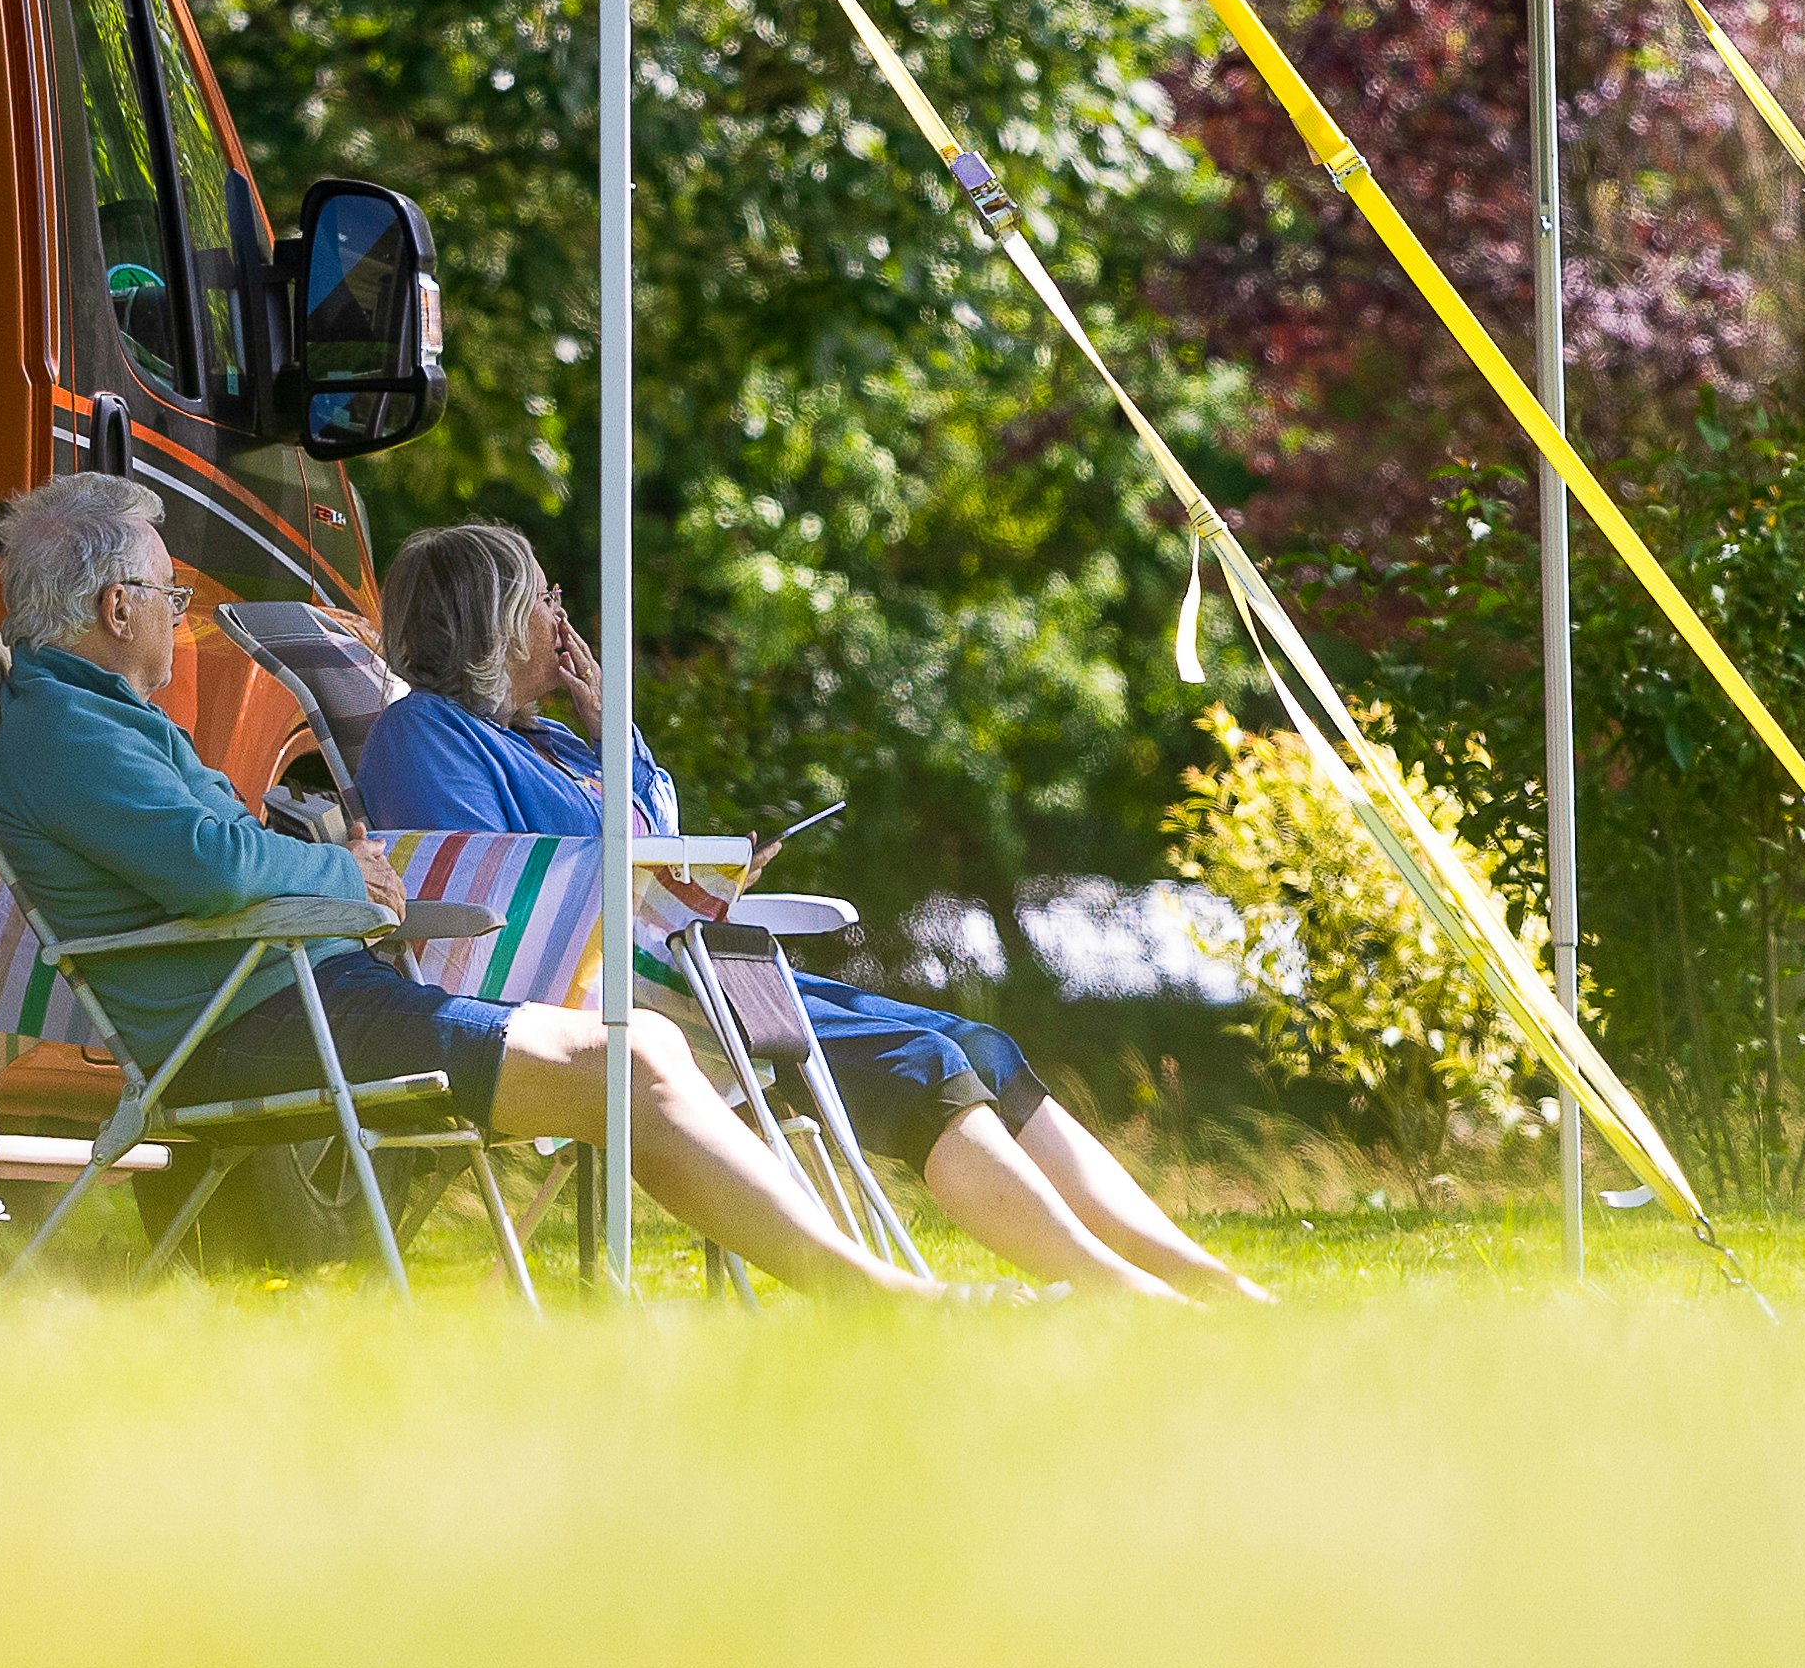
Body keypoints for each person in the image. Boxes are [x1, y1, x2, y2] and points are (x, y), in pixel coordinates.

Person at [0, 477, 943, 1300]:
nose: (179, 614)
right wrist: (340, 873)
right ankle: (868, 1294)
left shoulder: (98, 721)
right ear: (116, 608)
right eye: (169, 594)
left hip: (303, 1002)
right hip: (260, 1025)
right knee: (630, 1059)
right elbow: (217, 864)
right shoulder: (70, 730)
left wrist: (328, 881)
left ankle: (862, 1284)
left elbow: (214, 856)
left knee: (632, 1047)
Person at [356, 521, 1266, 1307]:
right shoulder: (426, 733)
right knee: (923, 1062)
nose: (561, 613)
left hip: (679, 964)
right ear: (489, 620)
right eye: (541, 594)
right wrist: (667, 877)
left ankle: (1194, 1274)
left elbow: (654, 835)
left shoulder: (551, 738)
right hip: (609, 999)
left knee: (973, 1044)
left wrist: (608, 725)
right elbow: (491, 893)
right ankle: (1118, 1293)